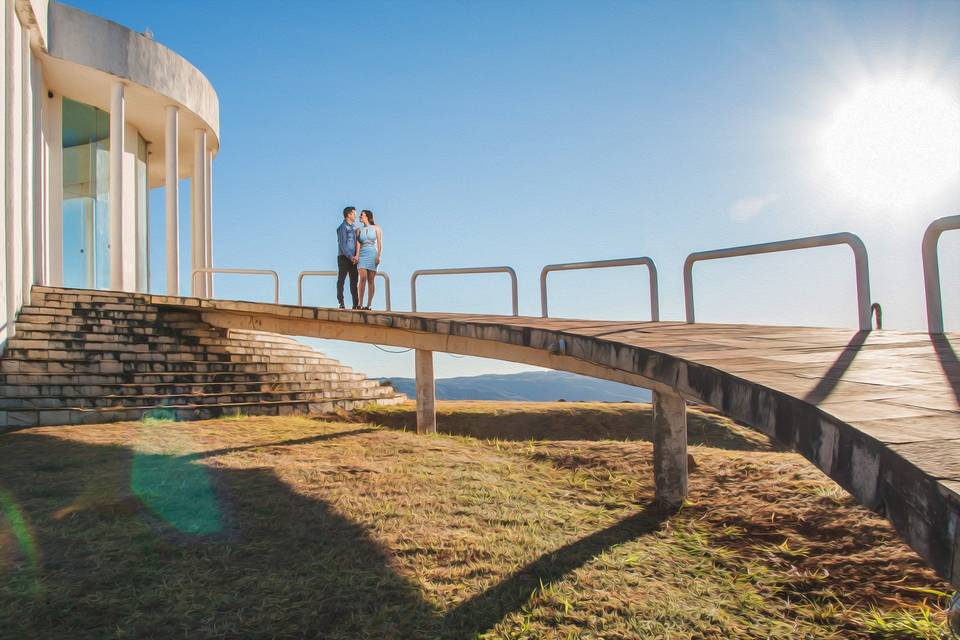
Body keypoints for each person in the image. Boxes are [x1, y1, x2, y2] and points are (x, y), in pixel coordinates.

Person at [354, 209, 382, 310]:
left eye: (362, 215)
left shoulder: (376, 228)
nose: (360, 216)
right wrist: (357, 256)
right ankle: (360, 303)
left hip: (372, 253)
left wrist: (378, 256)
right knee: (362, 278)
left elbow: (379, 243)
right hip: (362, 254)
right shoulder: (358, 230)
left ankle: (369, 304)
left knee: (371, 280)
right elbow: (357, 244)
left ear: (367, 216)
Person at [336, 206, 360, 309]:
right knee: (341, 280)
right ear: (349, 215)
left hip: (354, 259)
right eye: (354, 214)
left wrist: (356, 257)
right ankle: (341, 302)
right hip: (344, 258)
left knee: (354, 281)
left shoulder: (354, 228)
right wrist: (350, 256)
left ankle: (355, 304)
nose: (355, 215)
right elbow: (343, 244)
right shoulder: (343, 227)